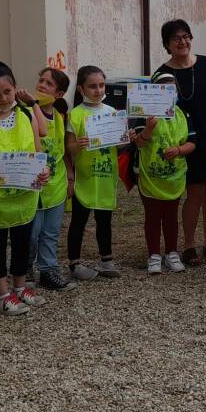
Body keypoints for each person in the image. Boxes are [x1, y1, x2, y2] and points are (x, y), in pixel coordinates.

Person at [0, 62, 50, 316]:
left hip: (25, 194)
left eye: (7, 91)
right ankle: (2, 294)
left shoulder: (26, 115)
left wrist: (43, 170)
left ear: (15, 88)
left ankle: (19, 287)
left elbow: (38, 150)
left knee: (22, 243)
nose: (3, 98)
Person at [155, 19, 206, 266]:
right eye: (176, 38)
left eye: (186, 36)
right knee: (194, 192)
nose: (183, 41)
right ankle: (188, 245)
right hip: (187, 140)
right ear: (167, 43)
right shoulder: (162, 74)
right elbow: (158, 111)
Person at [134, 71, 196, 274]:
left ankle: (171, 252)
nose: (168, 93)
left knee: (171, 216)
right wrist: (148, 130)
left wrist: (179, 150)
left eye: (172, 89)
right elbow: (139, 144)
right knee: (152, 216)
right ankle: (153, 254)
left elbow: (192, 143)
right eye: (162, 89)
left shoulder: (183, 114)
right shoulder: (145, 114)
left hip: (174, 177)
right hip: (151, 177)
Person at [65, 65, 121, 279]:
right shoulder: (76, 115)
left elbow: (120, 143)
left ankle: (106, 259)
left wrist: (128, 138)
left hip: (105, 175)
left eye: (101, 85)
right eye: (92, 86)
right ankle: (74, 263)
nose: (98, 90)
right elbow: (68, 148)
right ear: (81, 89)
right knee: (79, 220)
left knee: (104, 219)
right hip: (84, 177)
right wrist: (78, 145)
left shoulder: (112, 113)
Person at [27, 67, 75, 292]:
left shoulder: (59, 116)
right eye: (40, 80)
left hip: (56, 185)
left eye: (48, 83)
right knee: (32, 233)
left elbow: (62, 150)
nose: (41, 85)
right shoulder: (26, 113)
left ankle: (48, 270)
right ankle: (24, 269)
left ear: (59, 93)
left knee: (51, 232)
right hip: (33, 186)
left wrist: (70, 176)